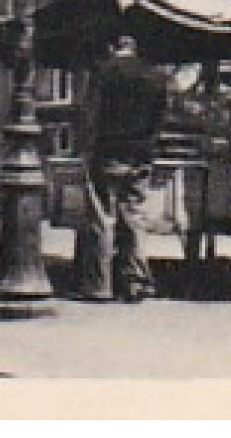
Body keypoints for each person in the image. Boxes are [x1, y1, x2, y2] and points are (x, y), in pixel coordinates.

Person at [74, 34, 168, 303]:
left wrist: (85, 150)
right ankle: (136, 283)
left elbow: (89, 115)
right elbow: (159, 120)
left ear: (112, 47)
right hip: (140, 157)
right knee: (134, 218)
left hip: (107, 154)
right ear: (134, 46)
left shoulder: (103, 73)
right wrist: (146, 146)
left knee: (103, 218)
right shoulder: (155, 75)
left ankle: (99, 286)